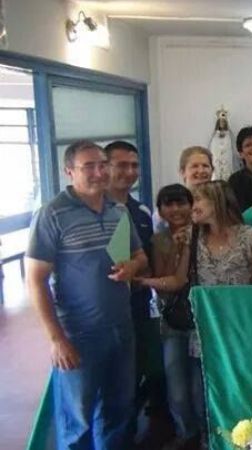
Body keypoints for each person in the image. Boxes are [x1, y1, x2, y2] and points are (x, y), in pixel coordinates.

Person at [25, 140, 148, 449]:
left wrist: (131, 267)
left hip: (122, 327)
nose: (99, 172)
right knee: (76, 419)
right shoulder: (52, 215)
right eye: (88, 166)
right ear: (70, 172)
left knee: (118, 410)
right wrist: (56, 339)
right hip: (78, 334)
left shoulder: (118, 210)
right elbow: (35, 281)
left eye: (102, 164)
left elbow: (140, 256)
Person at [140, 181, 252, 447]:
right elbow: (177, 280)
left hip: (239, 328)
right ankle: (206, 440)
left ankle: (239, 437)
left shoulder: (250, 237)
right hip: (204, 328)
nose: (193, 207)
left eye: (198, 201)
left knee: (238, 388)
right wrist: (140, 281)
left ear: (217, 203)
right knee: (201, 394)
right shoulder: (192, 238)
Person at [104, 140, 162, 441]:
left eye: (134, 165)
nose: (129, 172)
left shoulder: (140, 211)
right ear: (105, 166)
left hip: (137, 307)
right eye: (121, 165)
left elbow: (148, 258)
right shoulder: (92, 209)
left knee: (140, 373)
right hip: (99, 314)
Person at [149, 184, 200, 450]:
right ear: (159, 211)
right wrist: (176, 251)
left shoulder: (204, 232)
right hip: (171, 318)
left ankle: (205, 435)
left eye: (181, 203)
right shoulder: (159, 240)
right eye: (168, 204)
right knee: (176, 384)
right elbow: (164, 279)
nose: (176, 209)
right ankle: (185, 432)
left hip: (201, 319)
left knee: (198, 384)